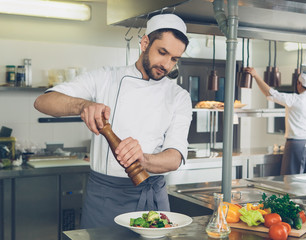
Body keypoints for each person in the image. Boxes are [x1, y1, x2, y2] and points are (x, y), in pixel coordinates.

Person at [34, 14, 192, 228]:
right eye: (162, 52)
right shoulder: (105, 78)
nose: (166, 65)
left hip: (152, 198)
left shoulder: (179, 96)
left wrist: (142, 159)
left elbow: (175, 157)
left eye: (174, 59)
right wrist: (82, 106)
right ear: (145, 43)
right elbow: (43, 101)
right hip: (104, 198)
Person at [245, 67, 306, 175]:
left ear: (298, 83)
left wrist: (255, 75)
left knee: (291, 182)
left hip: (297, 145)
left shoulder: (294, 99)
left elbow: (270, 93)